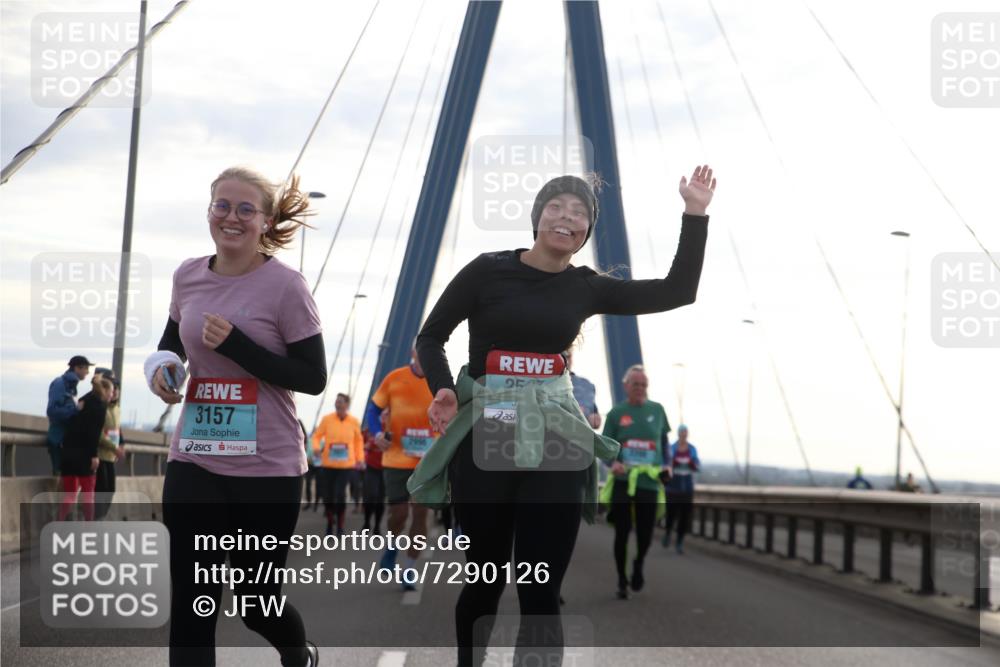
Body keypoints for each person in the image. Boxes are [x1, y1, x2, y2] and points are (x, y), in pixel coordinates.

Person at [412, 166, 715, 665]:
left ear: (586, 232)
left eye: (578, 213)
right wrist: (443, 388)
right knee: (485, 581)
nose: (566, 217)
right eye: (556, 207)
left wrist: (695, 213)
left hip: (556, 438)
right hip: (488, 435)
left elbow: (677, 291)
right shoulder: (487, 270)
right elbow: (431, 336)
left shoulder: (585, 286)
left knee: (541, 590)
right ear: (537, 218)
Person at [146, 166, 324, 667]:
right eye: (222, 205)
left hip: (267, 468)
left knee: (255, 603)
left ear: (265, 221)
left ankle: (297, 654)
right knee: (193, 601)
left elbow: (312, 377)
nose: (232, 217)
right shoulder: (188, 275)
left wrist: (238, 345)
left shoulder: (286, 287)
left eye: (246, 209)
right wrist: (162, 370)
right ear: (209, 212)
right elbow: (172, 342)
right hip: (196, 459)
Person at [366, 345, 435, 591]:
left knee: (420, 514)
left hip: (428, 461)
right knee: (399, 513)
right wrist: (377, 434)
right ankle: (392, 546)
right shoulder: (395, 378)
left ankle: (409, 569)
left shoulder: (440, 380)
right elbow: (373, 411)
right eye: (422, 350)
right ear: (413, 352)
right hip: (396, 458)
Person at [603, 365, 672, 598]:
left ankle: (639, 562)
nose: (640, 388)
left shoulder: (657, 410)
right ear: (626, 386)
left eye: (643, 385)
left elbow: (664, 442)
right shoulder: (616, 413)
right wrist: (613, 463)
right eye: (635, 384)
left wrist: (667, 465)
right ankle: (621, 580)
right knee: (621, 532)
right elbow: (604, 448)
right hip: (623, 480)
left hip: (648, 481)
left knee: (645, 533)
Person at [58, 375, 113, 521]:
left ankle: (59, 523)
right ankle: (89, 527)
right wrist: (94, 455)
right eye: (111, 391)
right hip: (85, 457)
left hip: (68, 453)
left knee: (70, 494)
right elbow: (93, 434)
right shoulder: (100, 407)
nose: (112, 395)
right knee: (88, 494)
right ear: (104, 390)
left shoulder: (83, 401)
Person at [312, 393, 365, 536]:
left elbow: (358, 441)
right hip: (328, 465)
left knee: (340, 494)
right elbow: (316, 436)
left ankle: (340, 526)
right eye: (336, 401)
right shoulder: (327, 419)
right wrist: (316, 448)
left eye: (340, 401)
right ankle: (330, 523)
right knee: (328, 496)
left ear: (347, 405)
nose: (337, 404)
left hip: (346, 466)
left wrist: (360, 458)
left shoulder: (354, 421)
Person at [46, 355, 92, 474]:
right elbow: (52, 410)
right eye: (86, 368)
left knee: (67, 477)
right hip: (59, 438)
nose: (88, 372)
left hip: (66, 439)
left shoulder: (70, 385)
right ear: (77, 368)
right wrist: (76, 410)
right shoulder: (60, 383)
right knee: (61, 476)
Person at [663, 424, 700, 554]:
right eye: (681, 432)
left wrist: (691, 463)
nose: (684, 434)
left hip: (687, 488)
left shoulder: (692, 449)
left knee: (684, 517)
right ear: (678, 434)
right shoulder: (671, 448)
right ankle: (668, 533)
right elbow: (665, 464)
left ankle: (679, 542)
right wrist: (673, 463)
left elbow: (697, 466)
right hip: (672, 488)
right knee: (671, 514)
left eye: (685, 432)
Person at [94, 369, 125, 520]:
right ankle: (96, 519)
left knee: (110, 489)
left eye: (117, 389)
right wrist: (115, 448)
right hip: (100, 454)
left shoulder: (117, 409)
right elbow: (98, 433)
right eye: (114, 389)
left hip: (111, 456)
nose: (116, 392)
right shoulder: (102, 407)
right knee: (101, 489)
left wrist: (121, 444)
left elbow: (117, 429)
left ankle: (101, 517)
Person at [361, 407, 387, 533]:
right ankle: (366, 523)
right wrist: (366, 447)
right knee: (370, 496)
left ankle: (377, 526)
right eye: (382, 413)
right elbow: (360, 444)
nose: (384, 415)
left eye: (387, 413)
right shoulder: (369, 429)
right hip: (371, 467)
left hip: (385, 467)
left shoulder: (391, 429)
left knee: (380, 499)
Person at [565, 347, 601, 429]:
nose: (566, 361)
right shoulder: (544, 384)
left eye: (568, 356)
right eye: (562, 356)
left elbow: (594, 416)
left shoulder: (586, 384)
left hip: (581, 435)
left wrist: (594, 419)